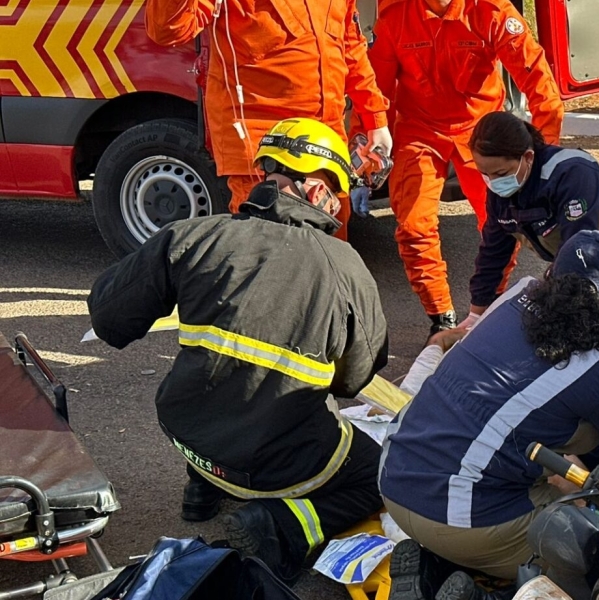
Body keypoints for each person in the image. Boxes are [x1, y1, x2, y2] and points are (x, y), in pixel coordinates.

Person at [87, 118, 389, 582]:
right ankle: (283, 525)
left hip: (188, 434)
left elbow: (109, 318)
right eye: (336, 191)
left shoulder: (194, 236)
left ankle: (202, 487)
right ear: (313, 189)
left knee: (213, 396)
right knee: (378, 474)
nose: (336, 204)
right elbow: (355, 378)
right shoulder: (344, 266)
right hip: (284, 463)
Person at [379, 231, 599, 600]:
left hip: (395, 475)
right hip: (460, 517)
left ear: (551, 274)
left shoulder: (516, 294)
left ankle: (439, 566)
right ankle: (483, 595)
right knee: (597, 555)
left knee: (541, 429)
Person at [366, 0, 565, 336]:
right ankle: (441, 318)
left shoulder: (491, 12)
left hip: (481, 130)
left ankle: (488, 307)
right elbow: (376, 90)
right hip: (419, 131)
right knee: (414, 226)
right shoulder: (396, 16)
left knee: (501, 223)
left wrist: (543, 158)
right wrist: (371, 147)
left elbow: (540, 85)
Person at [144, 0, 392, 240]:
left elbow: (350, 45)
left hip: (326, 144)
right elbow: (168, 29)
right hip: (266, 154)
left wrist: (375, 118)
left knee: (331, 251)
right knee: (269, 259)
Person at [465, 111, 599, 330]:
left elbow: (581, 250)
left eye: (500, 173)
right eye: (485, 174)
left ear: (528, 157)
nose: (493, 182)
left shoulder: (572, 173)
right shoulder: (501, 192)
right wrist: (476, 316)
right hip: (578, 273)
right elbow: (493, 253)